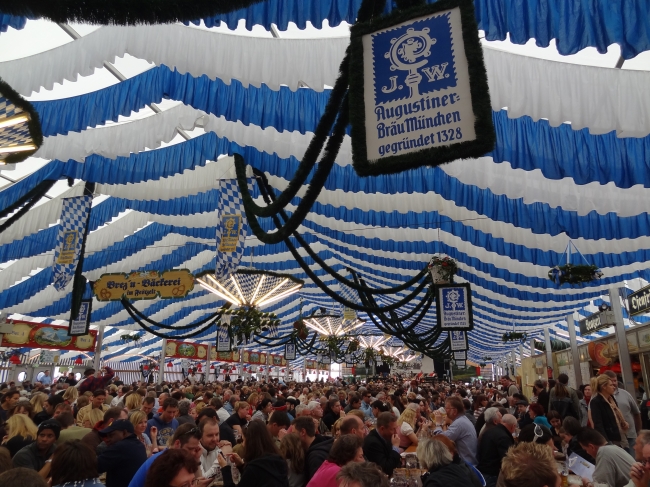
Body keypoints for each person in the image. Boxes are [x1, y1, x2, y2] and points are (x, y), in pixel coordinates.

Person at [127, 423, 204, 487]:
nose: (193, 453)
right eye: (190, 449)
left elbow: (198, 480)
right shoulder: (162, 462)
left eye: (196, 449)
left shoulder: (174, 459)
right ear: (177, 443)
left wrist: (197, 459)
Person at [217, 419, 288, 486]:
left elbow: (252, 477)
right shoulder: (279, 461)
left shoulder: (253, 469)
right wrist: (241, 465)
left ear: (251, 443)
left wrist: (225, 468)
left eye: (244, 440)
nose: (243, 444)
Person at [97, 419, 148, 487]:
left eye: (111, 435)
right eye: (107, 436)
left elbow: (93, 466)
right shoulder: (139, 445)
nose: (108, 439)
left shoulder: (120, 447)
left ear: (124, 432)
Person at [433, 396, 478, 466]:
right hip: (468, 462)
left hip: (466, 465)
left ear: (454, 411)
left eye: (446, 408)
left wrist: (438, 424)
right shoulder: (462, 419)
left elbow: (441, 441)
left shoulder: (459, 423)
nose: (445, 411)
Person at [604, 371, 642, 453]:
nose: (614, 383)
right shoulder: (599, 398)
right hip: (613, 438)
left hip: (630, 434)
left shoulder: (625, 394)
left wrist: (638, 431)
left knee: (633, 460)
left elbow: (636, 413)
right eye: (611, 381)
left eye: (615, 380)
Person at [589, 374, 629, 448]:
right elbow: (598, 425)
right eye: (611, 385)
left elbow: (617, 416)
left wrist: (623, 422)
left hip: (621, 436)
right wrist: (606, 442)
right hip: (610, 440)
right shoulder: (596, 402)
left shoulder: (611, 399)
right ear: (604, 387)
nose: (614, 387)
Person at [477, 412, 516, 487]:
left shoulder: (489, 431)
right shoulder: (504, 437)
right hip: (492, 474)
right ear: (513, 426)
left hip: (482, 469)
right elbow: (507, 459)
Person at [293, 416, 334, 483]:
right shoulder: (325, 444)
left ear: (303, 432)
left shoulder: (316, 457)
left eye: (294, 433)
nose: (292, 437)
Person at [362, 411, 401, 477]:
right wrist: (395, 448)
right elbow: (386, 469)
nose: (396, 432)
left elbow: (395, 462)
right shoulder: (373, 443)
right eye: (393, 429)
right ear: (382, 429)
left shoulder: (386, 437)